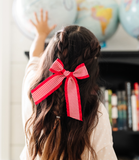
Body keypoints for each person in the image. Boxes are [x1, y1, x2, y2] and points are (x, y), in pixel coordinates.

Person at [20, 9, 117, 160]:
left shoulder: (33, 90)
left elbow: (34, 56)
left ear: (50, 56)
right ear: (91, 69)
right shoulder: (96, 113)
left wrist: (41, 35)